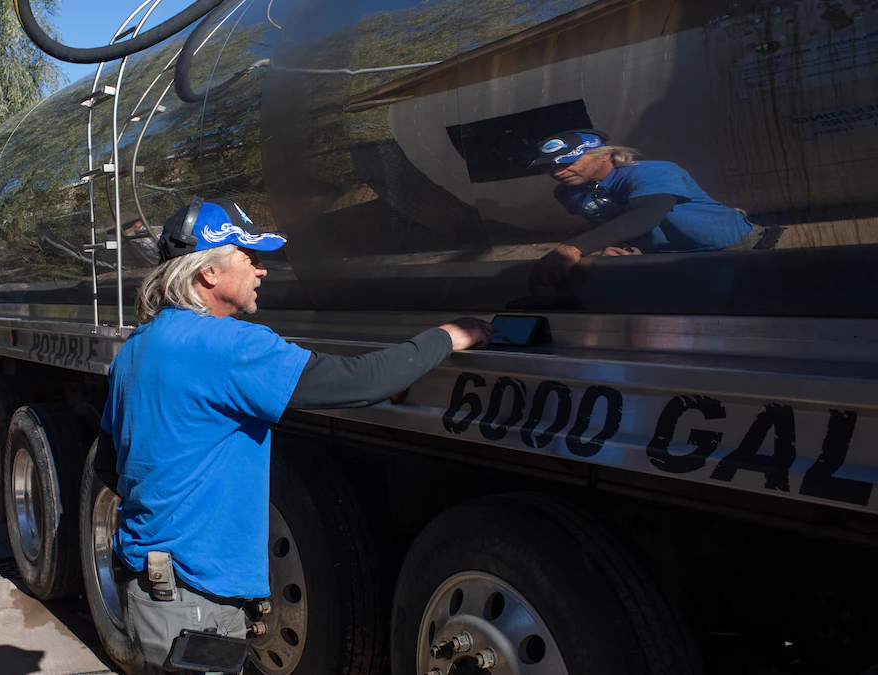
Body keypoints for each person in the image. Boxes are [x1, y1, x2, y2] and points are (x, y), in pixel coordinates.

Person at [97, 198, 495, 673]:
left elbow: (110, 465)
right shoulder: (227, 347)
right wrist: (447, 336)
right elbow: (359, 381)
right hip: (197, 600)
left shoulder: (136, 348)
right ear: (208, 274)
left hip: (151, 589)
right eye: (252, 258)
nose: (263, 271)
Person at [527, 130, 778, 289]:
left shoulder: (651, 171)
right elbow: (602, 221)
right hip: (666, 259)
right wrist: (609, 245)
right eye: (549, 167)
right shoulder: (566, 192)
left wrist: (573, 247)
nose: (558, 172)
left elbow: (646, 214)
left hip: (732, 248)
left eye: (569, 162)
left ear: (604, 155)